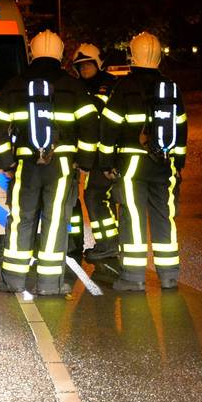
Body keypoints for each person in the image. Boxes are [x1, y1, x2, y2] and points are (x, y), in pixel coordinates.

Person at [0, 30, 98, 296]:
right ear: (60, 53)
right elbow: (90, 126)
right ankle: (49, 284)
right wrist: (83, 162)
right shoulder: (73, 86)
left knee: (21, 219)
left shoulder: (14, 85)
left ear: (32, 52)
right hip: (62, 166)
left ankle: (12, 280)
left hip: (25, 165)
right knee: (55, 221)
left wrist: (6, 161)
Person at [98, 31, 187, 292]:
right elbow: (181, 127)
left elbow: (109, 129)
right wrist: (178, 163)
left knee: (133, 217)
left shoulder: (123, 87)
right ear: (158, 56)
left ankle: (133, 277)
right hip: (164, 162)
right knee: (164, 217)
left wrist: (106, 163)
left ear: (132, 55)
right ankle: (169, 275)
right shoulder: (171, 88)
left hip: (132, 164)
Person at [67, 43, 119, 260]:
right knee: (96, 196)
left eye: (88, 65)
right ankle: (107, 242)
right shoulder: (77, 87)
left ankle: (109, 243)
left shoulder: (110, 85)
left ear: (98, 64)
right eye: (80, 67)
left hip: (106, 152)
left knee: (96, 196)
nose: (84, 70)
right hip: (91, 152)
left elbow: (102, 116)